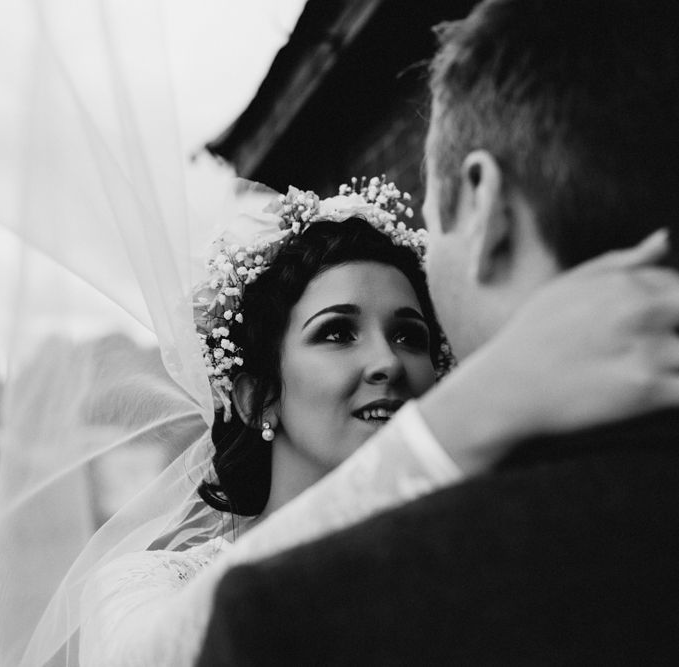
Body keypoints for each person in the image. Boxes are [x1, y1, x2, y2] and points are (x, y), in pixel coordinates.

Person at [197, 0, 679, 664]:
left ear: (484, 205)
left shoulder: (302, 613)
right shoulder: (206, 596)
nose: (388, 364)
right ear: (256, 393)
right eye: (335, 332)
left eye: (411, 334)